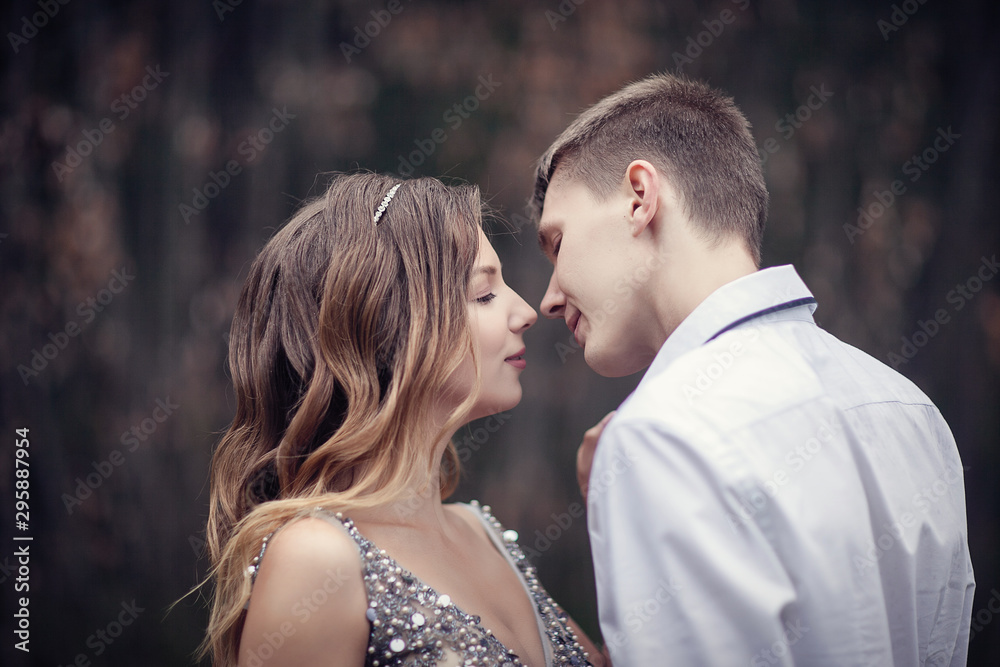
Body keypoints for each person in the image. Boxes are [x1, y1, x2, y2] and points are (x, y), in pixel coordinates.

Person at [530, 73, 975, 665]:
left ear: (640, 197)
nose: (549, 298)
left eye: (557, 244)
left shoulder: (660, 436)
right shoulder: (910, 411)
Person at [200, 173, 603, 667]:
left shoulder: (481, 531)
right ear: (388, 330)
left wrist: (615, 507)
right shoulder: (317, 560)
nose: (525, 311)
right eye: (483, 295)